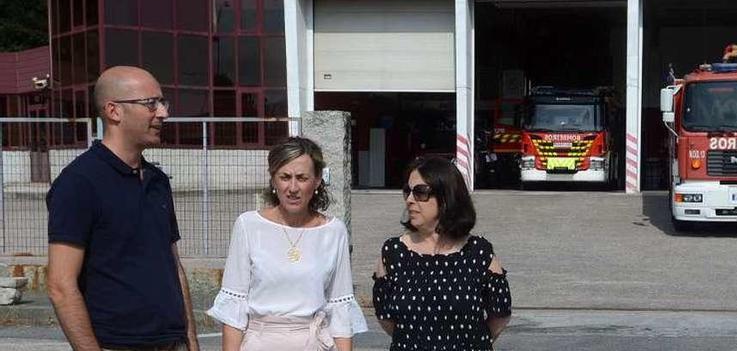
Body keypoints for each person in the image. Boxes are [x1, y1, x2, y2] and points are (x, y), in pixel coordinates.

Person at [46, 66, 199, 351]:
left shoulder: (158, 181)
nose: (163, 113)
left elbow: (173, 267)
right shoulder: (79, 183)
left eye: (163, 103)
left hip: (171, 343)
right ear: (114, 111)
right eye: (151, 103)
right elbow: (60, 285)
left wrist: (190, 340)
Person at [207, 137, 367, 351]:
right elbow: (234, 310)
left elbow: (340, 308)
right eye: (285, 177)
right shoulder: (248, 225)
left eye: (302, 178)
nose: (293, 187)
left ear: (317, 180)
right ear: (273, 179)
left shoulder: (334, 231)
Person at [372, 157, 512, 350]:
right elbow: (386, 318)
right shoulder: (393, 252)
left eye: (420, 193)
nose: (410, 200)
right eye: (408, 192)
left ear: (446, 198)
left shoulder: (478, 252)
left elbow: (500, 314)